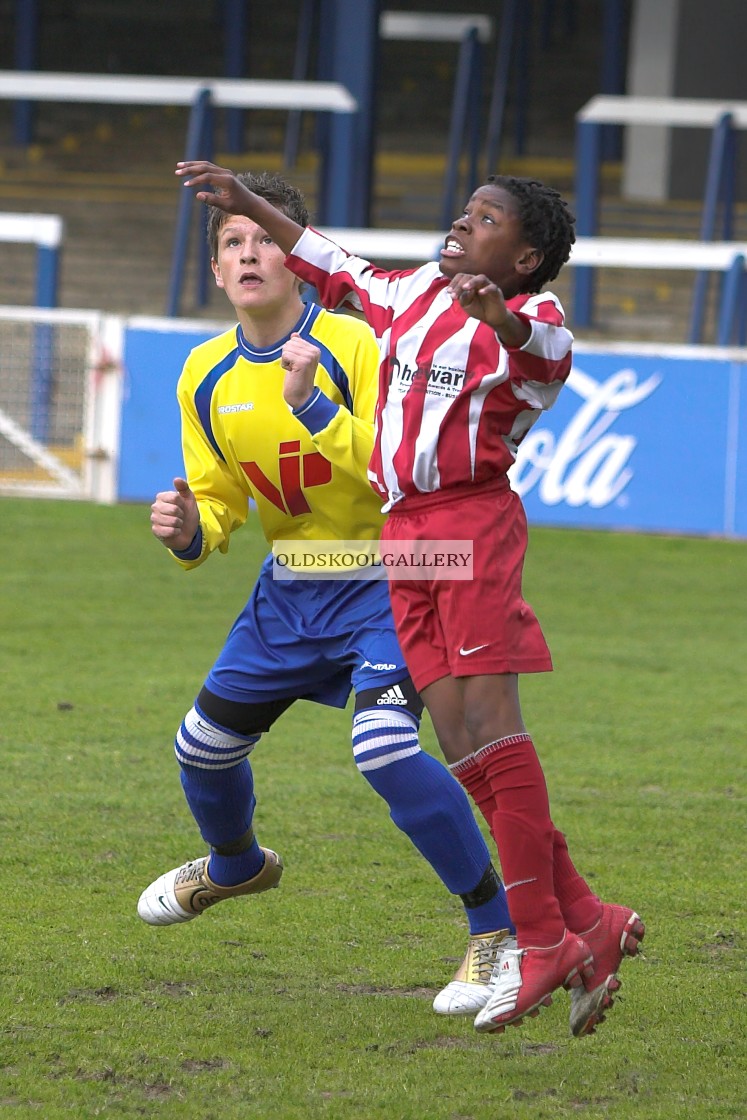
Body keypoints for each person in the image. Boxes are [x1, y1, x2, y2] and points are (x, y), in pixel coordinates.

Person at [172, 160, 645, 1039]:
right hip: (405, 534)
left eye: (486, 218)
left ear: (526, 257)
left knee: (486, 729)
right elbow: (338, 264)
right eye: (464, 210)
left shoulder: (530, 318)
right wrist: (251, 208)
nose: (462, 223)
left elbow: (544, 358)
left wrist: (496, 314)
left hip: (465, 526)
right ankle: (587, 919)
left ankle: (536, 935)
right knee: (464, 745)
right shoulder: (418, 291)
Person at [137, 169, 518, 1020]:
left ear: (297, 260)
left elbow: (400, 464)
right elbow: (221, 499)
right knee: (200, 750)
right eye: (231, 244)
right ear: (215, 271)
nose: (248, 254)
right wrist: (189, 527)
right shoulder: (203, 374)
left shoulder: (355, 345)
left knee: (382, 748)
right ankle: (236, 866)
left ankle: (497, 930)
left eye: (263, 239)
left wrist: (309, 406)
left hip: (391, 574)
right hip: (292, 589)